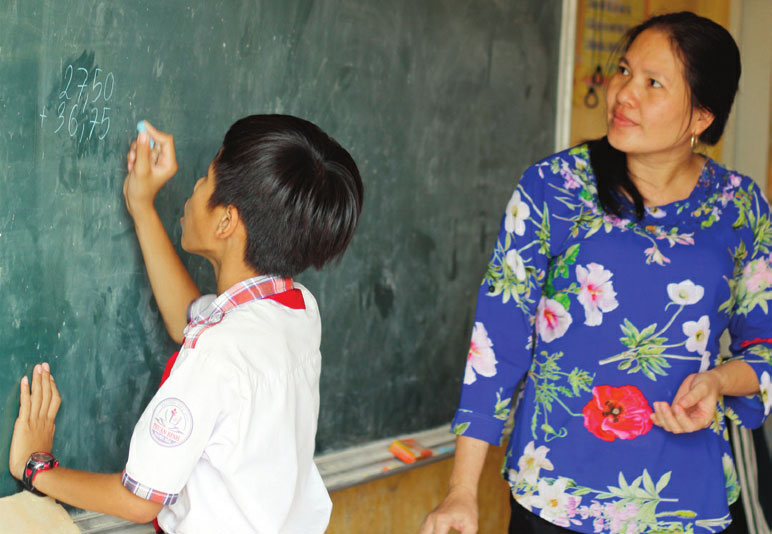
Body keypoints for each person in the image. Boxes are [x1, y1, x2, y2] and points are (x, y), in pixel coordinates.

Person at [420, 11, 772, 534]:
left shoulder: (740, 208)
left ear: (701, 117)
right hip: (556, 496)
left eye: (653, 83)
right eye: (624, 71)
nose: (624, 93)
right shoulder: (554, 188)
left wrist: (719, 381)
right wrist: (461, 492)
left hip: (685, 502)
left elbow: (764, 347)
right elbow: (497, 343)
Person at [8, 114, 364, 533]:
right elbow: (191, 321)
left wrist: (35, 467)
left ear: (226, 221)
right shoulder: (297, 310)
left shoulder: (217, 354)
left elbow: (139, 501)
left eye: (205, 178)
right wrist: (141, 205)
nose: (194, 188)